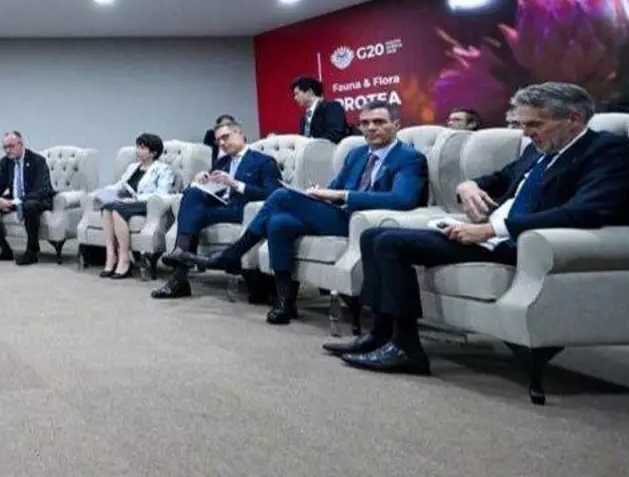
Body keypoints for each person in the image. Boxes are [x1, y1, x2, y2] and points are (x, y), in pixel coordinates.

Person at [330, 83, 629, 380]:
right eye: (523, 124)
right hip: (490, 235)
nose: (525, 133)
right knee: (373, 236)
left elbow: (585, 211)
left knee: (390, 243)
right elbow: (500, 178)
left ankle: (406, 349)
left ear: (573, 119)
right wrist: (469, 185)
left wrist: (490, 230)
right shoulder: (539, 150)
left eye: (535, 124)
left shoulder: (609, 150)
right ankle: (380, 335)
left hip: (522, 242)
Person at [174, 101, 428, 322]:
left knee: (281, 196)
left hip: (365, 222)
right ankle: (285, 302)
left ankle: (233, 253)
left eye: (379, 122)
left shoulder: (409, 157)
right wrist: (318, 193)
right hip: (340, 214)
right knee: (279, 223)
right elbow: (336, 187)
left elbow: (402, 199)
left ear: (396, 124)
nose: (371, 128)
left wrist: (342, 196)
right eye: (365, 123)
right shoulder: (356, 154)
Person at [152, 120, 280, 299]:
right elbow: (209, 189)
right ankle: (181, 255)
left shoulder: (263, 161)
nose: (221, 143)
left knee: (192, 216)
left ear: (240, 134)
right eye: (218, 140)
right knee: (192, 194)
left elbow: (272, 195)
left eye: (225, 137)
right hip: (220, 207)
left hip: (244, 211)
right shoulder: (222, 162)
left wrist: (235, 184)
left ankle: (179, 275)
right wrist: (199, 181)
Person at [96, 133, 177, 279]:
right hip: (129, 202)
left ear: (153, 152)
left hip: (147, 203)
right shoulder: (133, 167)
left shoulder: (164, 169)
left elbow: (162, 193)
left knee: (117, 209)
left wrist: (135, 199)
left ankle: (124, 259)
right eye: (138, 147)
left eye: (142, 148)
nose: (137, 150)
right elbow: (120, 185)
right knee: (107, 207)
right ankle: (111, 256)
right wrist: (103, 192)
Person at [0, 131, 55, 266]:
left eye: (11, 146)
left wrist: (13, 202)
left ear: (21, 144)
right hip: (14, 198)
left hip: (36, 199)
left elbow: (41, 190)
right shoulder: (5, 162)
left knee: (29, 205)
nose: (7, 150)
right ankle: (2, 248)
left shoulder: (37, 161)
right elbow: (0, 184)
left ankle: (32, 251)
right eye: (5, 147)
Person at [294, 76, 349, 143]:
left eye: (297, 93)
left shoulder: (331, 107)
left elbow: (336, 133)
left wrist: (313, 143)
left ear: (309, 92)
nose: (295, 98)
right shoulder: (303, 118)